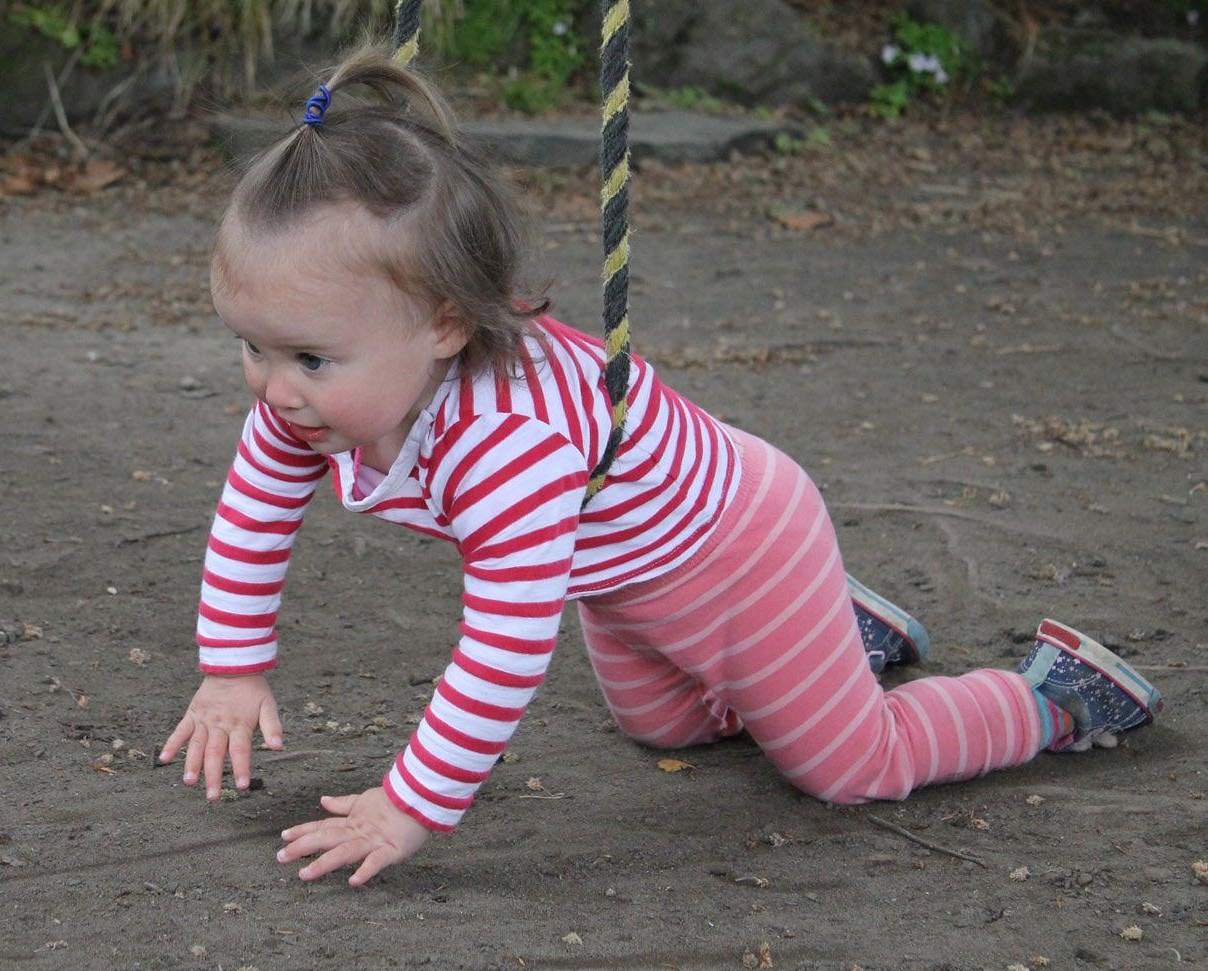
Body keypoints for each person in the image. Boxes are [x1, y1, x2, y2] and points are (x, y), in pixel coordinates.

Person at [158, 44, 1164, 887]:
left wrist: (409, 806)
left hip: (745, 544)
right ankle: (838, 638)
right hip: (630, 577)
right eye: (253, 346)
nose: (272, 387)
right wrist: (233, 668)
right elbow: (252, 514)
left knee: (848, 766)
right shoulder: (308, 409)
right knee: (663, 725)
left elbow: (504, 647)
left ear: (444, 325)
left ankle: (1054, 697)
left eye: (309, 358)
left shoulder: (510, 445)